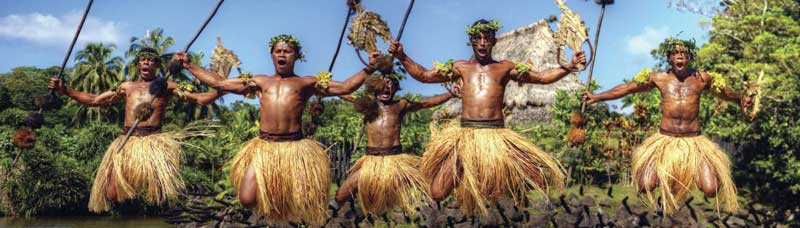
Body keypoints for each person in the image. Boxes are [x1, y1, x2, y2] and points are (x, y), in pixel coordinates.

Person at [174, 34, 379, 226]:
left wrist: (369, 68)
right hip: (265, 148)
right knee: (246, 198)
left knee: (305, 201)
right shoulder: (260, 81)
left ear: (296, 56)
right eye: (278, 51)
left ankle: (288, 215)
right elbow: (220, 83)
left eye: (287, 51)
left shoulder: (307, 83)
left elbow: (345, 88)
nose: (282, 55)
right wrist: (189, 65)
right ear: (272, 55)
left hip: (294, 148)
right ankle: (273, 203)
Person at [389, 19, 586, 216]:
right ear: (471, 40)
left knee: (541, 179)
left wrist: (570, 66)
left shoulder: (505, 67)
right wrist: (401, 56)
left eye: (487, 38)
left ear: (493, 41)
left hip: (497, 136)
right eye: (478, 38)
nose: (482, 43)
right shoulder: (459, 67)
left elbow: (543, 78)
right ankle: (470, 178)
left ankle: (502, 180)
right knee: (438, 192)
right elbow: (424, 75)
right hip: (466, 136)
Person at [582, 37, 752, 214]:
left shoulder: (702, 78)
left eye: (683, 54)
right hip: (664, 140)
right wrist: (597, 97)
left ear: (690, 57)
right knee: (645, 184)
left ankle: (677, 187)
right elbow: (627, 88)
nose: (679, 57)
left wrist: (741, 99)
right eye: (675, 54)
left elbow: (725, 93)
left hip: (694, 142)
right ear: (669, 58)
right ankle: (667, 191)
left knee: (711, 189)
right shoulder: (659, 78)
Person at [49, 47, 224, 212]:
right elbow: (95, 100)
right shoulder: (127, 87)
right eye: (142, 60)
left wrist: (222, 90)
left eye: (150, 60)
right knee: (111, 193)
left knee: (161, 195)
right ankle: (130, 205)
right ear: (138, 64)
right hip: (127, 140)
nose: (146, 63)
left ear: (156, 65)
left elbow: (200, 99)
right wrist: (65, 90)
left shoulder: (168, 86)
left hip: (153, 142)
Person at [333, 73, 456, 216]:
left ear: (395, 90)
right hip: (372, 161)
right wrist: (322, 85)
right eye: (384, 86)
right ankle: (327, 215)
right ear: (376, 88)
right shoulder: (368, 105)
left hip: (396, 162)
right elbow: (344, 93)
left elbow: (426, 103)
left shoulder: (400, 105)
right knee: (341, 195)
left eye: (391, 86)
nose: (387, 89)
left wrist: (450, 94)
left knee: (428, 189)